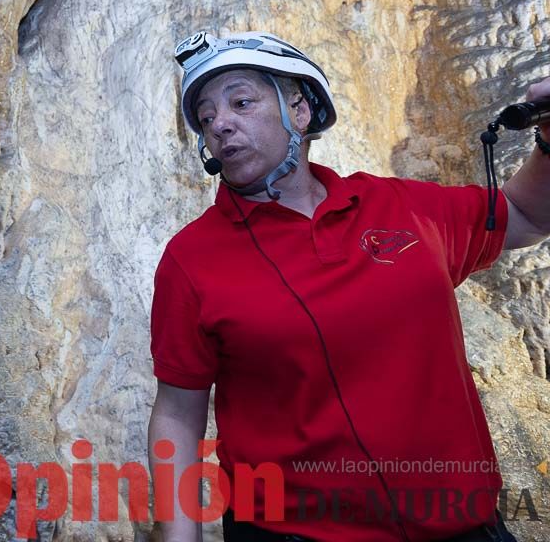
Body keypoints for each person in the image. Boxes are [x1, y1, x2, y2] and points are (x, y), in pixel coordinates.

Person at [147, 31, 546, 542]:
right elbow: (178, 415)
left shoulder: (401, 206)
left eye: (240, 101)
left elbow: (527, 215)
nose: (219, 123)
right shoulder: (191, 259)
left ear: (300, 109)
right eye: (205, 118)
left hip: (465, 528)